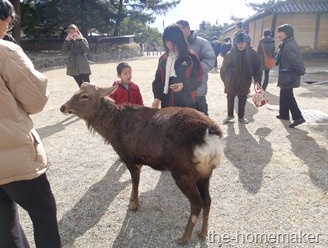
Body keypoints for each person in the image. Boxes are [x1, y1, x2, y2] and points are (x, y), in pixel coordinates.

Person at [0, 0, 61, 247]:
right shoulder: (5, 51)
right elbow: (36, 100)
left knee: (5, 225)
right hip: (12, 152)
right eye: (8, 21)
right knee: (43, 213)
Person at [152, 24, 203, 109]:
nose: (169, 46)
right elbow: (158, 81)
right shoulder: (163, 59)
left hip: (186, 104)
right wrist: (157, 98)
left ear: (179, 40)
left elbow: (198, 78)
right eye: (167, 42)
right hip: (166, 105)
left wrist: (183, 85)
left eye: (172, 42)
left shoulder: (190, 57)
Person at [220, 32, 262, 124]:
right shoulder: (230, 54)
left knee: (242, 98)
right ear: (235, 43)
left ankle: (241, 117)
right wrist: (226, 81)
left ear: (247, 43)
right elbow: (223, 69)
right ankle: (230, 116)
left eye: (243, 42)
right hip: (231, 81)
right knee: (230, 97)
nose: (241, 45)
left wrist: (257, 80)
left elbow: (258, 68)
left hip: (245, 81)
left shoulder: (253, 54)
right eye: (238, 42)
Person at [176, 20, 215, 115]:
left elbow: (210, 60)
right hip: (181, 88)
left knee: (202, 117)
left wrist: (194, 70)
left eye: (180, 29)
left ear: (188, 28)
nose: (177, 32)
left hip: (198, 88)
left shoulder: (203, 43)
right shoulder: (176, 44)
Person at [275, 24, 306, 128]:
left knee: (288, 95)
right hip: (287, 74)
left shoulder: (287, 45)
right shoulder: (288, 43)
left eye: (280, 32)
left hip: (289, 75)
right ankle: (284, 114)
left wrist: (301, 70)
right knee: (284, 93)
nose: (278, 34)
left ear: (286, 33)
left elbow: (294, 61)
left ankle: (298, 117)